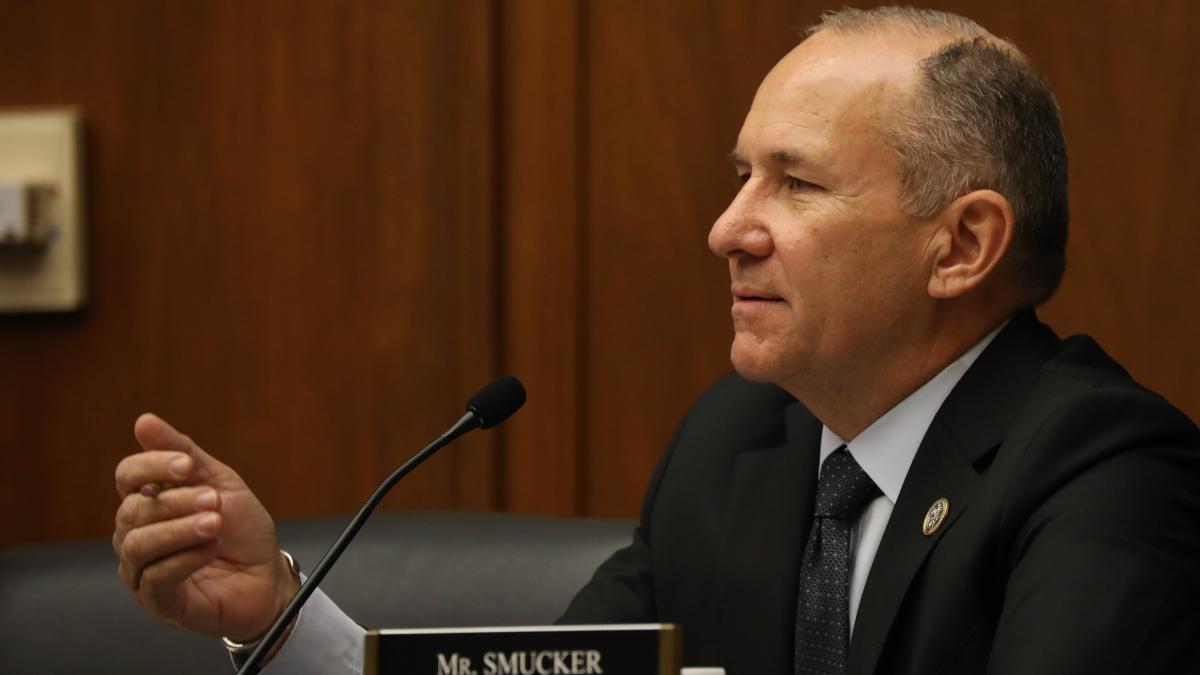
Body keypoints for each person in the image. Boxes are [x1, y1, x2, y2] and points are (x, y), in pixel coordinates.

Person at [112, 6, 1200, 674]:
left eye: (797, 182)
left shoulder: (1107, 471)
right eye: (742, 177)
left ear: (961, 244)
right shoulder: (741, 444)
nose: (728, 230)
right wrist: (277, 617)